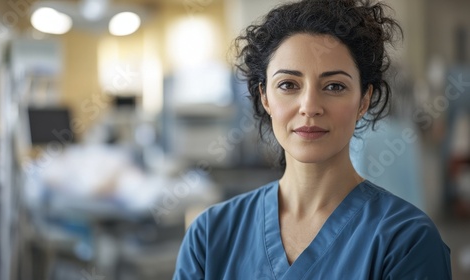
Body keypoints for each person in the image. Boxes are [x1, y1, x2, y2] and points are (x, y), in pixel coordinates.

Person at [173, 0, 452, 279]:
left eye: (334, 86)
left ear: (364, 100)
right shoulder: (209, 236)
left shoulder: (406, 241)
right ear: (265, 97)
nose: (309, 106)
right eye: (288, 85)